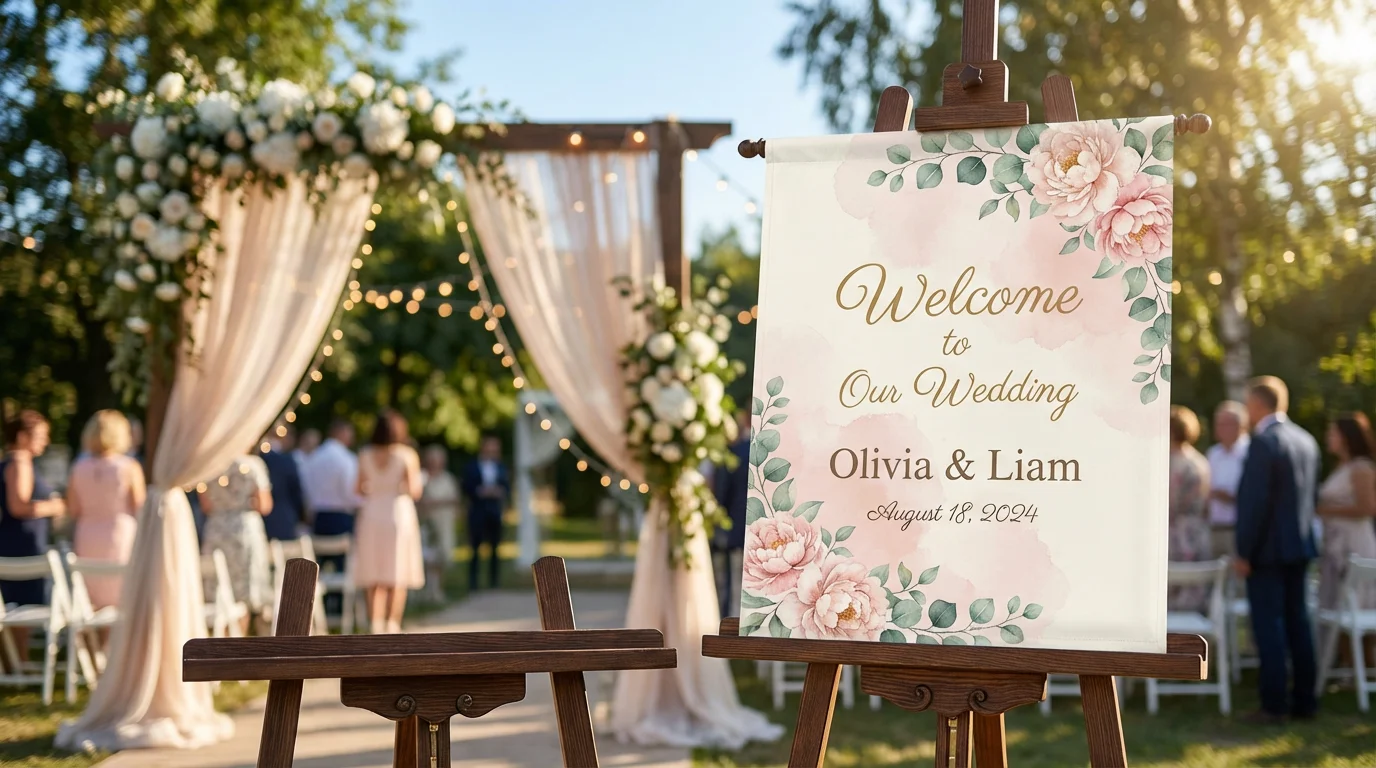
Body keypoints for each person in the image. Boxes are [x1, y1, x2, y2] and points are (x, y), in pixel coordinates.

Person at [1235, 376, 1320, 723]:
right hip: (1299, 547)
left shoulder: (1264, 442)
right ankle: (1305, 702)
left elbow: (1254, 504)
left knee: (1269, 626)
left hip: (1267, 552)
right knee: (1299, 624)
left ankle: (1274, 705)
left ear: (1257, 405)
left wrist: (1244, 551)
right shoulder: (1306, 440)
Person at [0, 411, 65, 665]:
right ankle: (17, 666)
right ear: (21, 436)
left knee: (15, 608)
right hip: (22, 544)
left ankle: (15, 665)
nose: (45, 441)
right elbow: (19, 507)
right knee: (22, 608)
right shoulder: (19, 462)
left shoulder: (13, 461)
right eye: (40, 435)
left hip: (16, 541)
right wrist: (55, 506)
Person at [354, 411, 425, 633]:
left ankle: (375, 623)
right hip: (397, 512)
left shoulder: (364, 454)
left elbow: (357, 489)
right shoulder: (407, 455)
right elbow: (415, 491)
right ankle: (392, 623)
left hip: (372, 512)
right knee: (398, 571)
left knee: (373, 571)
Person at [67, 411, 145, 608]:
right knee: (120, 595)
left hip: (87, 535)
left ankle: (98, 638)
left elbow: (73, 509)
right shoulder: (128, 466)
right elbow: (140, 507)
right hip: (119, 533)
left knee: (92, 598)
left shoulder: (78, 467)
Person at [199, 452, 274, 632]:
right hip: (244, 530)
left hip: (217, 530)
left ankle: (224, 636)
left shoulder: (211, 463)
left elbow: (206, 505)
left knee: (219, 588)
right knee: (243, 594)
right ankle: (239, 639)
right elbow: (264, 505)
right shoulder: (253, 464)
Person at [1316, 413, 1376, 611]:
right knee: (1335, 604)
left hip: (1354, 544)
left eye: (1333, 433)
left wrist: (1324, 510)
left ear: (1346, 436)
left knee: (1356, 606)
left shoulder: (1361, 468)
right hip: (1334, 543)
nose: (1328, 437)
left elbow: (1368, 508)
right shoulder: (1341, 467)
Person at [302, 419, 360, 613]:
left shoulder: (314, 457)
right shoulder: (346, 459)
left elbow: (306, 488)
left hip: (318, 517)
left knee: (319, 566)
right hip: (340, 516)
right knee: (341, 566)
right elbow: (350, 492)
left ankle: (322, 609)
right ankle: (339, 609)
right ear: (342, 433)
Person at [1168, 405, 1213, 611]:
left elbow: (1171, 504)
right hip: (1197, 531)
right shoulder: (1200, 460)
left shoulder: (1172, 463)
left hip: (1176, 534)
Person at [712, 409, 752, 618]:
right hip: (765, 533)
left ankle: (730, 624)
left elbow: (722, 493)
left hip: (737, 530)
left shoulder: (734, 452)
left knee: (735, 585)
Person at [461, 434, 510, 590]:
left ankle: (494, 582)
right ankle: (473, 582)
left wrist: (499, 492)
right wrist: (478, 492)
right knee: (475, 548)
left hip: (494, 511)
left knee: (495, 548)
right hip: (477, 511)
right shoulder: (472, 466)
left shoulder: (501, 467)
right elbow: (466, 486)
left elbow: (507, 487)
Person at [1207, 401, 1250, 558]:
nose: (1221, 428)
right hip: (1215, 527)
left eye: (1226, 424)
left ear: (1241, 425)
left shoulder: (1250, 453)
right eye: (1219, 424)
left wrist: (1229, 496)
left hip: (1238, 529)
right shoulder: (1213, 453)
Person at [420, 445, 461, 600]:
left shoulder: (448, 479)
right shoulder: (423, 477)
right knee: (426, 556)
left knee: (441, 556)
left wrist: (437, 502)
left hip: (444, 522)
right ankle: (425, 590)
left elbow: (455, 499)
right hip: (426, 522)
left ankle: (437, 589)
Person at [259, 433, 307, 542]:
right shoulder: (286, 461)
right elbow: (296, 493)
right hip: (283, 521)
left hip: (263, 522)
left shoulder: (259, 457)